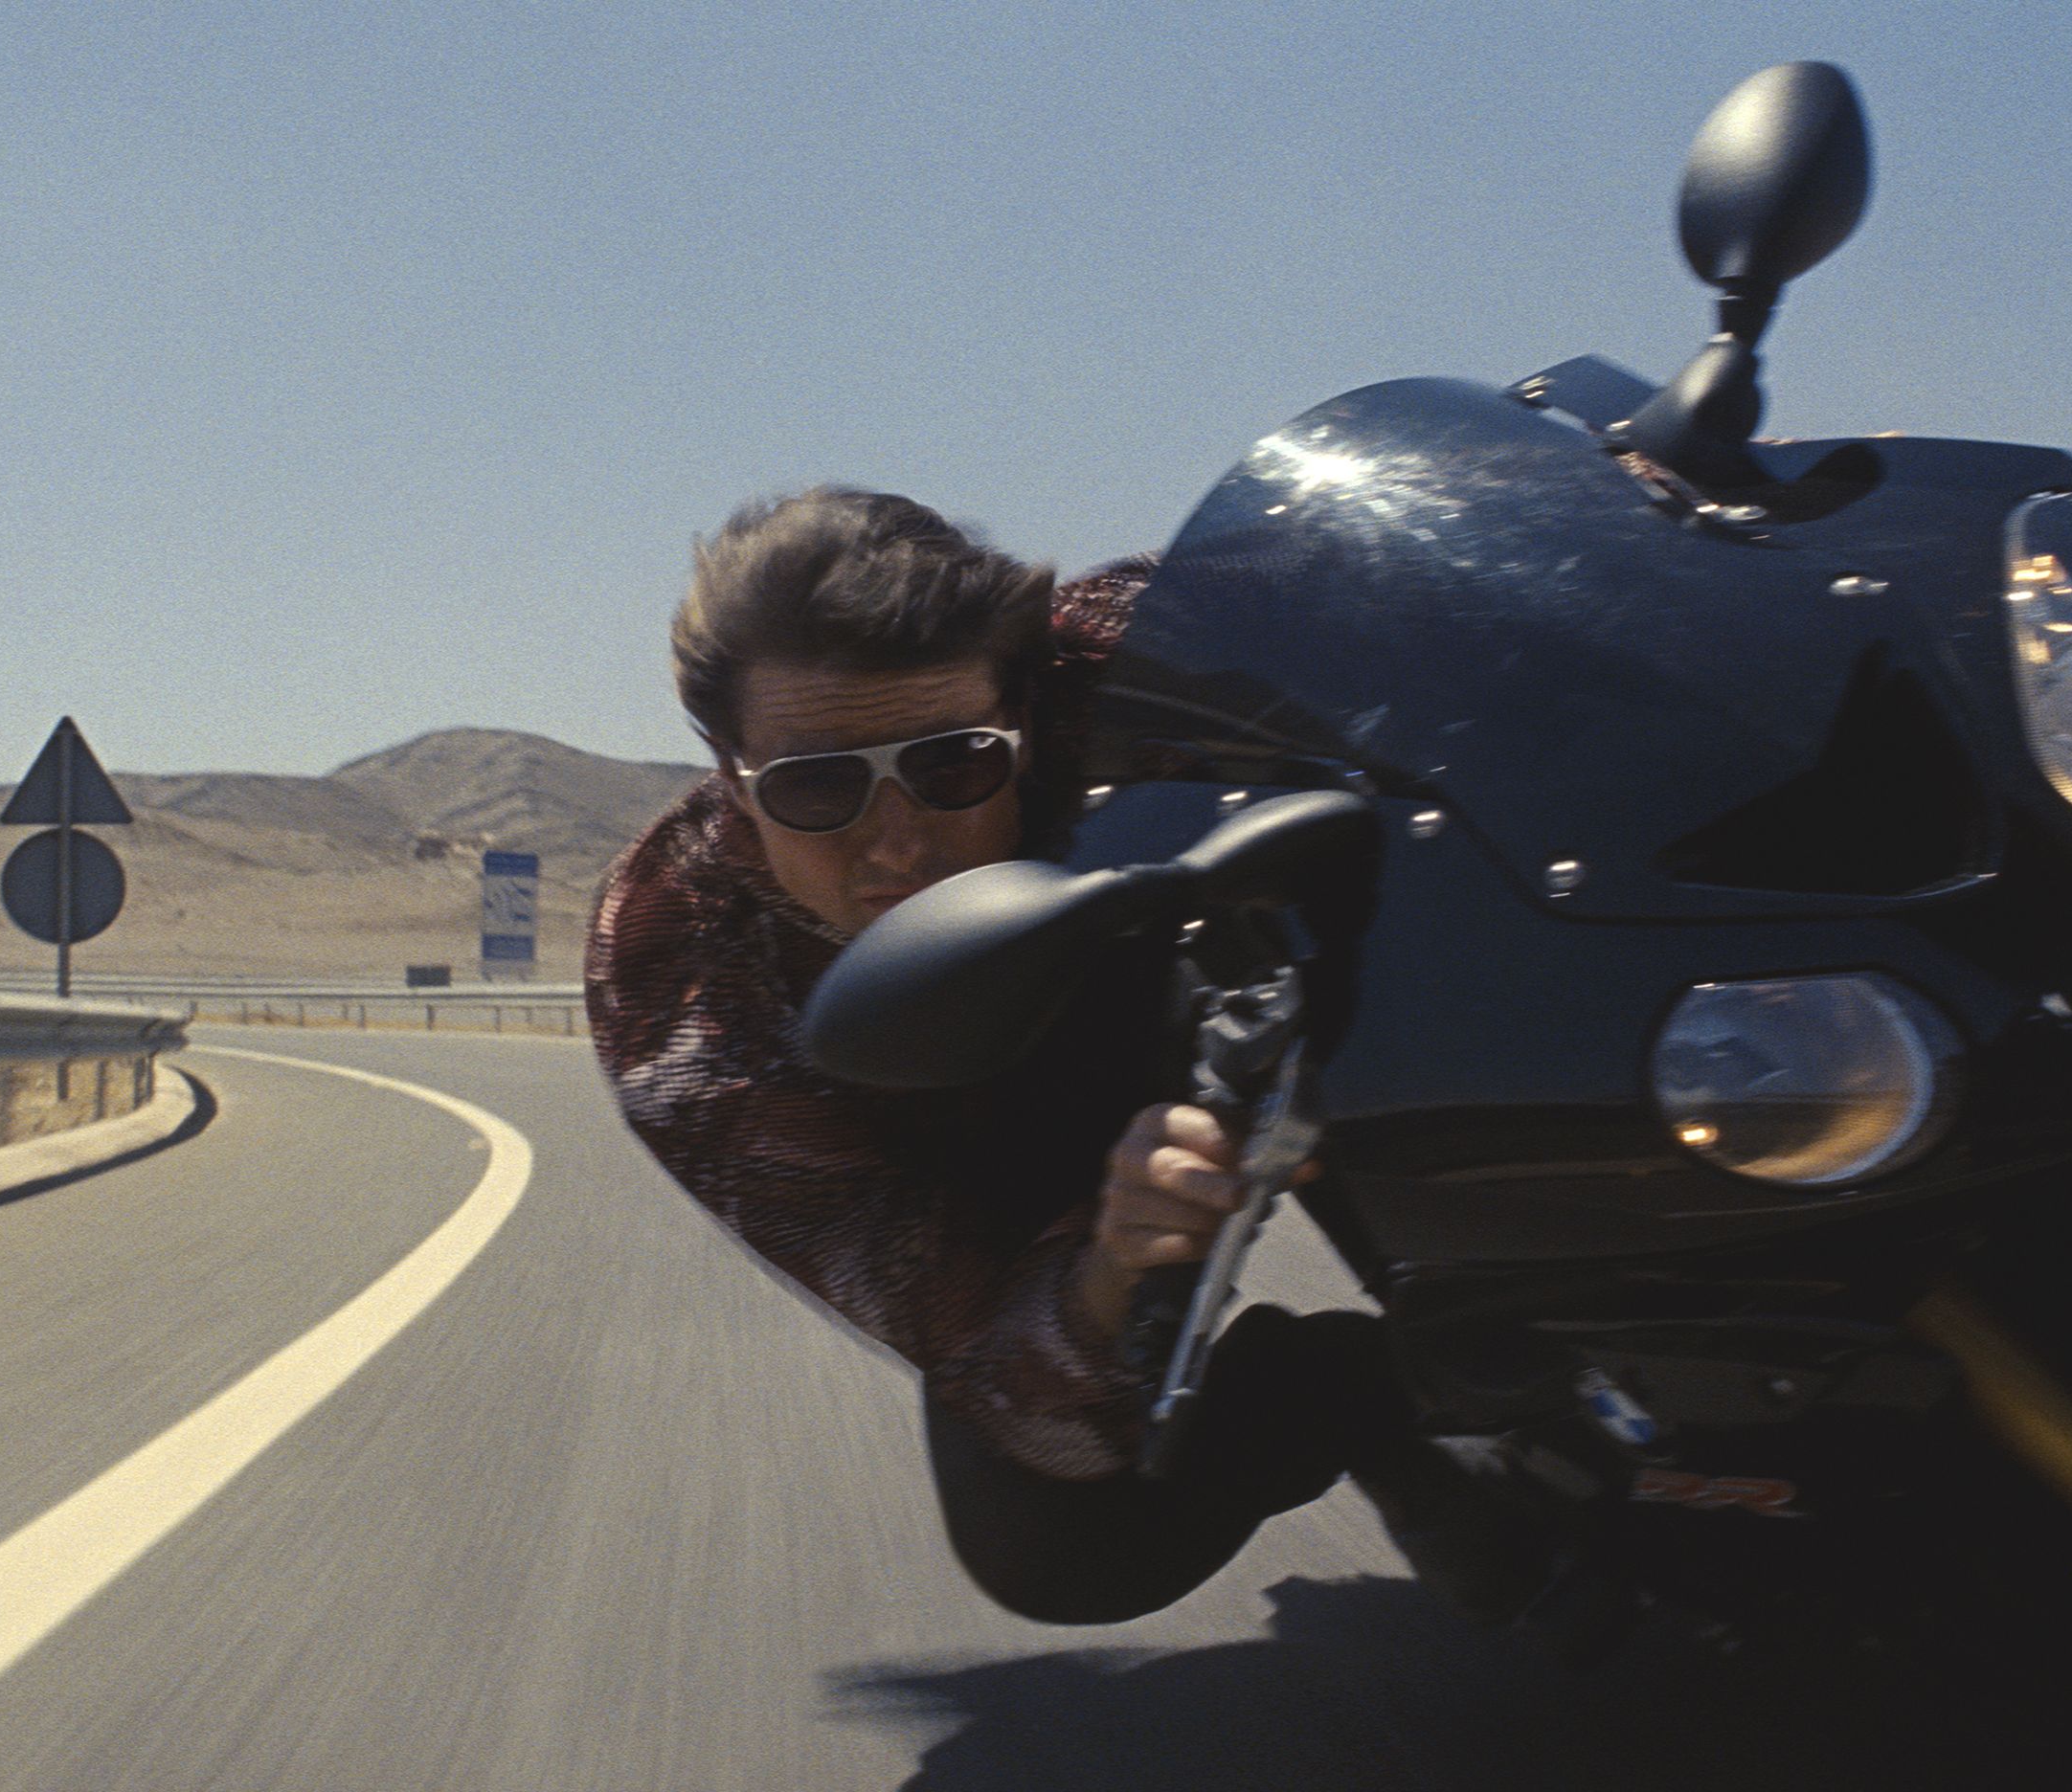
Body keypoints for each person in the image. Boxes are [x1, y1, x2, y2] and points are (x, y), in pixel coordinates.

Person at [585, 487, 1538, 1624]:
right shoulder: (679, 984)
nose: (896, 845)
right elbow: (983, 1352)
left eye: (952, 767)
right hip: (1012, 1134)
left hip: (1287, 970)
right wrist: (1111, 1273)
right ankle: (1368, 1393)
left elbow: (1466, 536)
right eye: (818, 786)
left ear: (1026, 711)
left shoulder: (1144, 641)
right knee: (1059, 1542)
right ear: (728, 768)